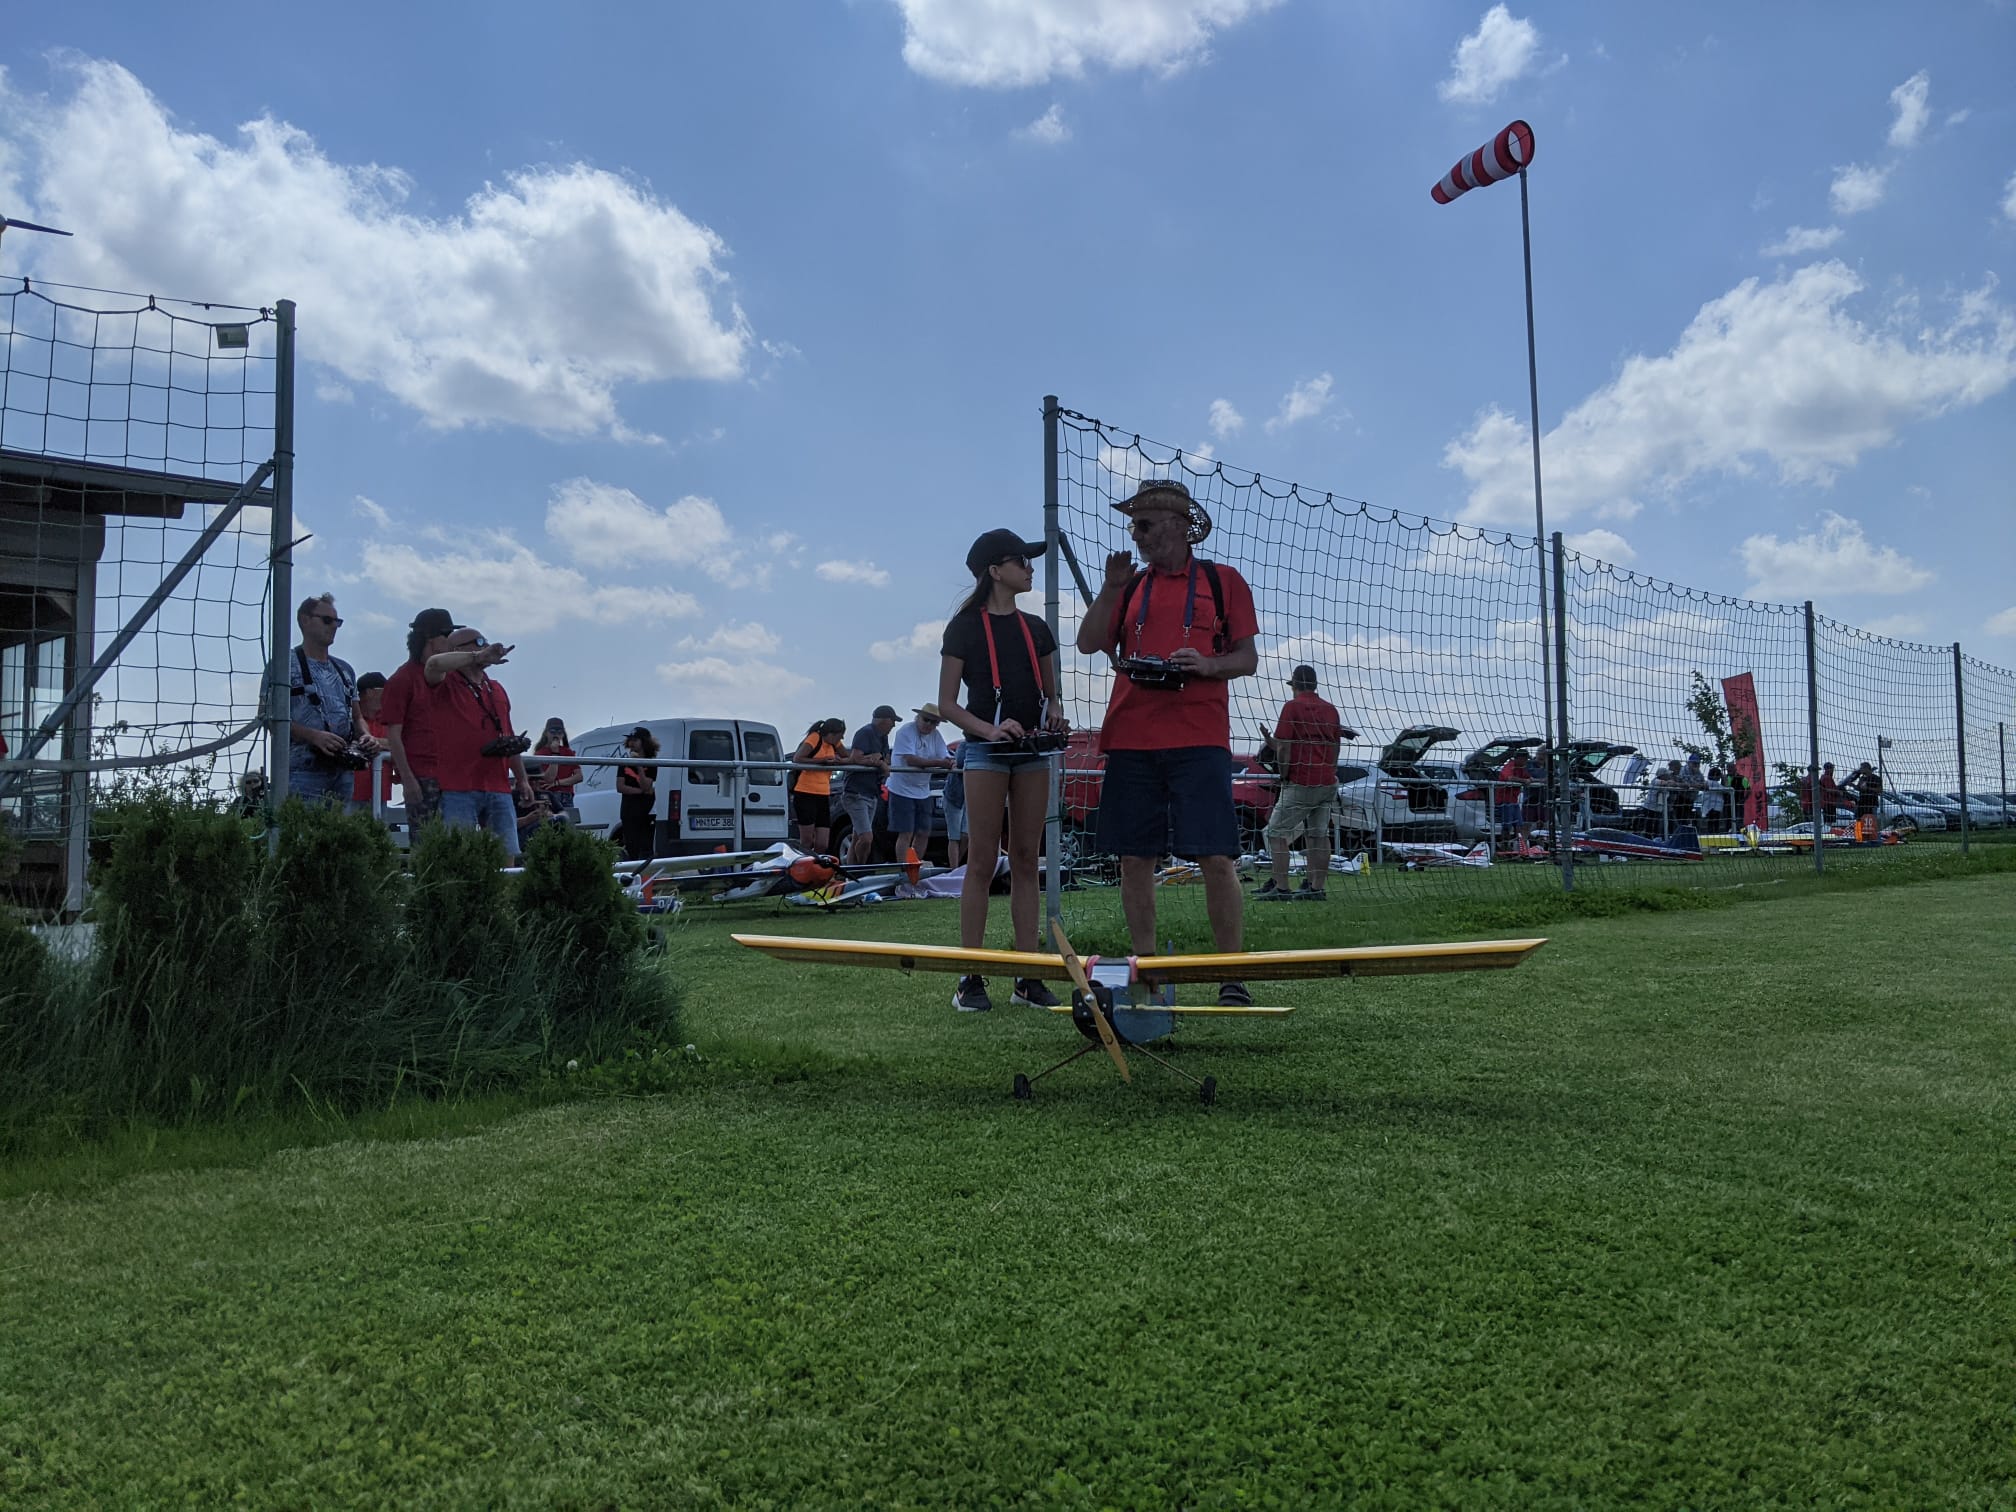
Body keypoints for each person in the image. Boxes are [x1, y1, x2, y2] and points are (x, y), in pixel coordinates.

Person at [1073, 481, 1259, 1007]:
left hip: (1200, 737)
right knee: (1135, 858)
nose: (1136, 535)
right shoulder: (1130, 585)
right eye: (1134, 526)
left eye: (1145, 525)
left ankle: (1231, 975)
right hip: (1131, 737)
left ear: (1179, 525)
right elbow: (1088, 643)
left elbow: (1246, 659)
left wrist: (1206, 665)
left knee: (1216, 855)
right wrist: (1110, 588)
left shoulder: (1223, 581)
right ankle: (1147, 970)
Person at [939, 527, 1070, 1013]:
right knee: (981, 860)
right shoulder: (964, 627)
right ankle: (970, 977)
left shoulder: (1037, 629)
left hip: (1032, 753)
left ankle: (1027, 976)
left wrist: (1054, 712)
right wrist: (989, 731)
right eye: (1021, 561)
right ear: (995, 571)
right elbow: (947, 704)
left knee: (1025, 860)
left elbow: (1052, 695)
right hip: (985, 753)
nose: (1030, 568)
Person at [425, 625, 533, 858]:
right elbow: (433, 664)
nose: (486, 647)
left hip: (498, 786)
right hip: (457, 787)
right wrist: (477, 656)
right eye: (479, 642)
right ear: (457, 650)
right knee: (460, 856)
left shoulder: (496, 689)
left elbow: (509, 735)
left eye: (485, 641)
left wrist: (522, 779)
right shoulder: (445, 683)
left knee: (507, 855)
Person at [1257, 665, 1351, 902]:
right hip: (1326, 780)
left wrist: (1284, 774)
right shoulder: (1330, 710)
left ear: (1294, 685)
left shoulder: (1292, 707)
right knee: (1318, 835)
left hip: (1301, 780)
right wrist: (1330, 770)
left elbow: (1284, 748)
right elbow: (1334, 746)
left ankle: (1281, 888)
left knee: (1275, 833)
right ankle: (1316, 887)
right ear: (1315, 685)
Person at [286, 593, 371, 805]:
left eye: (337, 622)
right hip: (302, 772)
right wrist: (313, 736)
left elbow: (357, 717)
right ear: (305, 620)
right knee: (300, 825)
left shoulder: (345, 669)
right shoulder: (284, 665)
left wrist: (366, 736)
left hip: (342, 772)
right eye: (327, 620)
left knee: (338, 826)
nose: (334, 626)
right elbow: (268, 719)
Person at [384, 608, 456, 833]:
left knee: (458, 843)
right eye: (446, 634)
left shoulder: (451, 677)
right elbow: (393, 735)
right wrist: (408, 779)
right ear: (430, 638)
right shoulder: (401, 680)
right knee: (426, 844)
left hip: (453, 776)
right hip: (422, 777)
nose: (451, 640)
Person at [890, 704, 955, 864]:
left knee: (924, 832)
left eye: (934, 722)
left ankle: (914, 866)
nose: (929, 725)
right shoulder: (906, 731)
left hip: (923, 790)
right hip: (902, 789)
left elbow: (945, 756)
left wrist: (950, 761)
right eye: (926, 720)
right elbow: (911, 760)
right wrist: (940, 763)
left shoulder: (936, 735)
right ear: (918, 718)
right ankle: (903, 869)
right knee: (906, 832)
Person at [841, 705, 898, 863]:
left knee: (857, 837)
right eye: (892, 721)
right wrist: (878, 762)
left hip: (871, 793)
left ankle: (851, 870)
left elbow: (885, 758)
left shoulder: (883, 737)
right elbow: (856, 758)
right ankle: (861, 867)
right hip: (856, 793)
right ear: (884, 720)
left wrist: (879, 759)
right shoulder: (865, 733)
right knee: (866, 838)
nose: (893, 725)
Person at [790, 718, 854, 855]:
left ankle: (817, 863)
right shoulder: (815, 738)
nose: (841, 739)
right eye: (839, 736)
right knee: (807, 840)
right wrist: (822, 761)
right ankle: (803, 863)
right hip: (805, 792)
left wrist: (840, 761)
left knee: (822, 843)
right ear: (831, 734)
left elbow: (848, 757)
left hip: (823, 794)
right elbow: (798, 758)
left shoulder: (835, 743)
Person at [347, 671, 395, 818]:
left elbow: (403, 744)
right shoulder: (347, 718)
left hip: (381, 792)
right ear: (369, 692)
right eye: (385, 690)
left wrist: (371, 742)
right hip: (351, 793)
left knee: (378, 831)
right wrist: (385, 743)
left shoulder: (389, 720)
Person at [617, 727, 658, 862]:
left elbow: (647, 785)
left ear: (644, 742)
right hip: (629, 810)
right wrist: (641, 791)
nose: (632, 743)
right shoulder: (624, 762)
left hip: (646, 810)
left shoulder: (651, 763)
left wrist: (639, 766)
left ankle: (645, 872)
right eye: (630, 740)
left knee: (646, 847)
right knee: (631, 846)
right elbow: (620, 786)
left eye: (635, 740)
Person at [529, 718, 582, 819]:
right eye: (552, 732)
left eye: (559, 732)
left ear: (563, 735)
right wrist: (555, 753)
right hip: (548, 795)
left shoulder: (568, 752)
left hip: (566, 795)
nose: (556, 735)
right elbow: (549, 778)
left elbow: (579, 776)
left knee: (567, 824)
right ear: (546, 733)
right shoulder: (540, 753)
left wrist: (557, 783)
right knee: (549, 823)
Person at [1495, 747, 1534, 852]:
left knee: (1519, 825)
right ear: (1519, 758)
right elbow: (1509, 778)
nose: (1525, 762)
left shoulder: (1521, 768)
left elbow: (1528, 777)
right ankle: (1504, 847)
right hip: (1504, 800)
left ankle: (1519, 847)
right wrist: (1524, 781)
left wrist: (1529, 779)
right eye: (1524, 759)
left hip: (1513, 801)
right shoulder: (1510, 766)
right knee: (1507, 825)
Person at [942, 742, 967, 873]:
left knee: (966, 836)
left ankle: (954, 867)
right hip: (954, 796)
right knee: (954, 836)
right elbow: (962, 763)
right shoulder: (964, 746)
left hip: (969, 797)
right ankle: (954, 871)